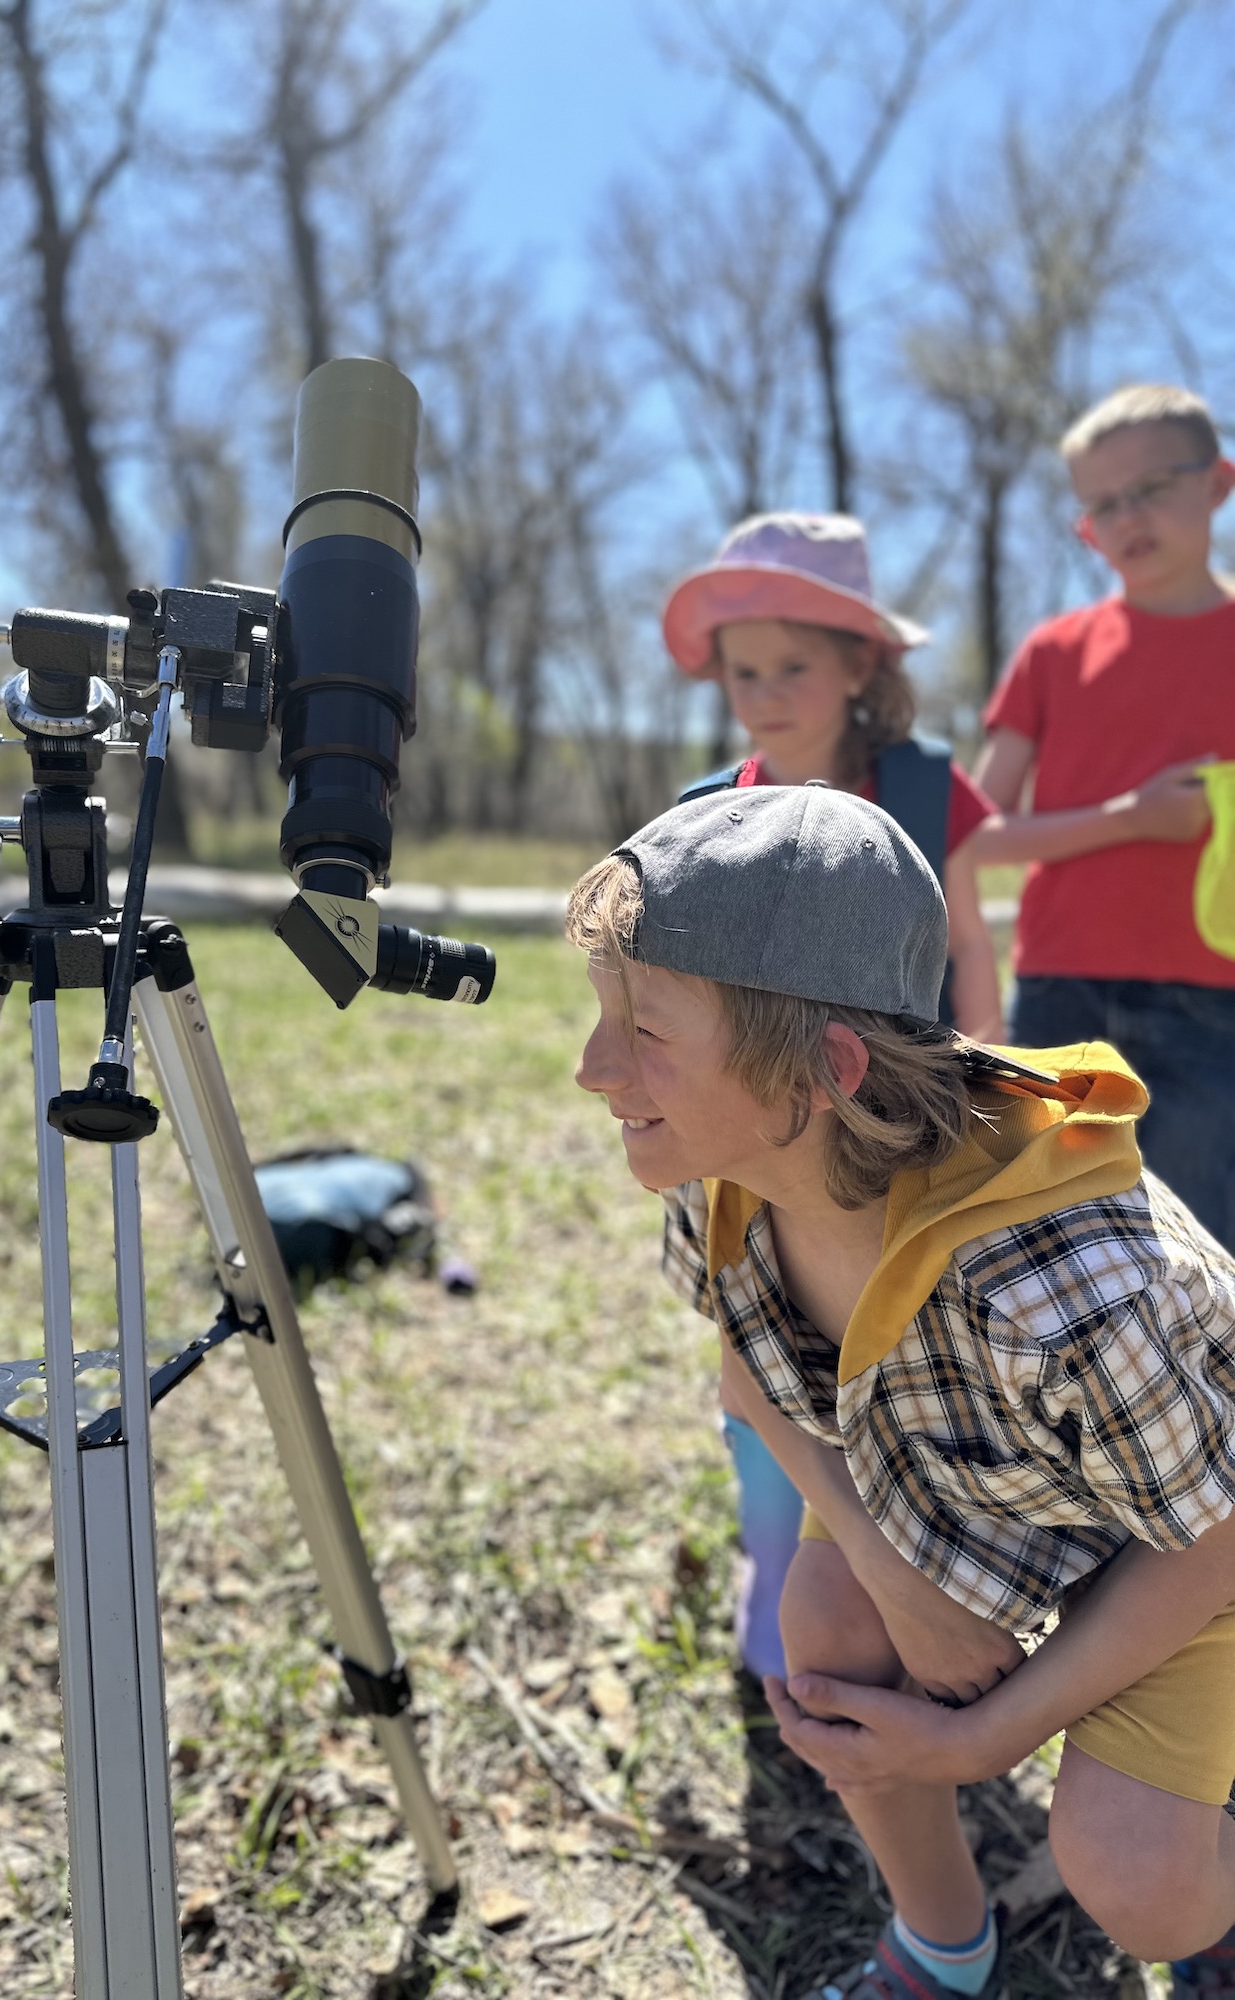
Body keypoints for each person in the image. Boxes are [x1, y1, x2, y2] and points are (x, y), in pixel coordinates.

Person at [568, 785, 1235, 2000]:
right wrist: (894, 1578)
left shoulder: (1058, 1278)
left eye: (646, 1027)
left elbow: (1210, 1533)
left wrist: (989, 1732)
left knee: (1142, 1883)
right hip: (983, 1478)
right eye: (604, 1013)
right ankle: (942, 1942)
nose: (592, 1068)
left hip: (1181, 1524)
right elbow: (750, 1363)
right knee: (827, 1635)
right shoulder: (721, 1167)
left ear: (828, 1068)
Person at [661, 513, 1004, 1682]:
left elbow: (968, 937)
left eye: (792, 667)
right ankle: (776, 1562)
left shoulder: (922, 786)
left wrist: (987, 1069)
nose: (763, 695)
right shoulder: (714, 805)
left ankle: (903, 1576)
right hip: (758, 1133)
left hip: (907, 1123)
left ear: (861, 665)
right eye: (743, 672)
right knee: (759, 1351)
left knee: (907, 1354)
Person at [973, 382, 1235, 1245]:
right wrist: (1130, 818)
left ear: (1218, 483)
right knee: (1048, 1240)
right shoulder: (1053, 653)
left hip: (1217, 999)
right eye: (1103, 504)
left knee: (1200, 1251)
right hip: (1061, 994)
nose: (1128, 518)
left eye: (1152, 487)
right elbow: (977, 836)